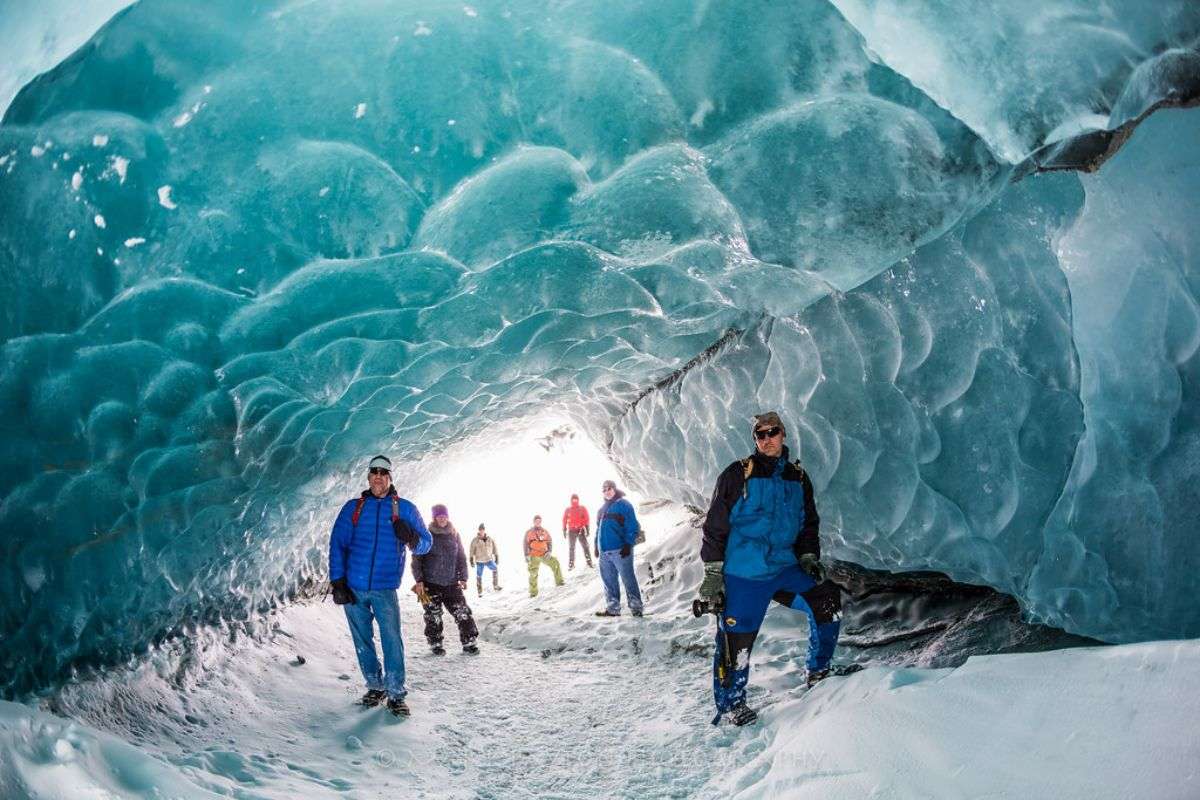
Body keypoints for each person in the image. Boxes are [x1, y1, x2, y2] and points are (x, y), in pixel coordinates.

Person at [698, 411, 841, 726]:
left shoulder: (797, 478)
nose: (766, 439)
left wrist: (807, 557)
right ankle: (732, 703)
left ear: (783, 434)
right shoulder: (738, 475)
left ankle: (819, 671)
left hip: (784, 567)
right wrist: (713, 572)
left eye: (772, 432)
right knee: (736, 642)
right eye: (759, 435)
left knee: (826, 599)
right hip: (745, 573)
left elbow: (808, 524)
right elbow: (715, 525)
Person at [328, 454, 432, 716]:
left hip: (385, 588)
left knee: (391, 640)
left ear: (390, 477)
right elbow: (337, 544)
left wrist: (410, 536)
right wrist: (337, 580)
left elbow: (426, 543)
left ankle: (396, 693)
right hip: (353, 587)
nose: (378, 476)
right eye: (374, 472)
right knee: (362, 640)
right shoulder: (353, 508)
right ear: (368, 477)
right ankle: (375, 686)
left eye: (383, 473)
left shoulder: (404, 508)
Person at [412, 504, 480, 656]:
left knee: (462, 612)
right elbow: (417, 559)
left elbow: (461, 557)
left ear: (448, 517)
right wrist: (419, 580)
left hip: (451, 583)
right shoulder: (426, 535)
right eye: (439, 516)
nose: (442, 518)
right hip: (430, 584)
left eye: (444, 516)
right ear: (434, 518)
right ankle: (435, 644)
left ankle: (469, 642)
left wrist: (463, 577)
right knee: (433, 615)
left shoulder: (454, 534)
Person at [594, 479, 643, 617]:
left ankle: (636, 608)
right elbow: (598, 530)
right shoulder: (601, 509)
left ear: (614, 489)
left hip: (621, 550)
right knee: (609, 581)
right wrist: (596, 547)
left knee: (628, 578)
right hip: (604, 552)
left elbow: (632, 526)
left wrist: (628, 544)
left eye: (609, 488)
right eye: (604, 490)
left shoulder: (624, 505)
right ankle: (613, 609)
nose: (606, 492)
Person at [524, 515, 564, 597]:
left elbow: (549, 541)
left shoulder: (544, 531)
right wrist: (526, 555)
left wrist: (549, 551)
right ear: (534, 522)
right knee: (533, 573)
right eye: (536, 521)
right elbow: (525, 543)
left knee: (555, 563)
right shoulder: (529, 532)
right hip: (533, 555)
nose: (538, 522)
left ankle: (560, 582)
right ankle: (533, 593)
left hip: (544, 554)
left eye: (539, 521)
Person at [561, 494, 594, 570]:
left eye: (576, 499)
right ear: (571, 500)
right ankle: (571, 564)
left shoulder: (582, 508)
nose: (574, 501)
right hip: (571, 531)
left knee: (585, 546)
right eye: (573, 499)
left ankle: (589, 561)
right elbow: (564, 520)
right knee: (571, 547)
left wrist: (587, 528)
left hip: (580, 530)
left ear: (578, 500)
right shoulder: (568, 510)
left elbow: (586, 518)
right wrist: (564, 529)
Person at [469, 523, 501, 596]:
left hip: (489, 560)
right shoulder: (475, 540)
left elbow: (494, 547)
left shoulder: (490, 539)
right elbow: (471, 550)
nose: (481, 531)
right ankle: (480, 592)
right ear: (479, 530)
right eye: (480, 530)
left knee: (495, 569)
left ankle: (495, 586)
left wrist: (496, 556)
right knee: (479, 575)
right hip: (479, 561)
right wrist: (471, 559)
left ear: (484, 530)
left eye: (482, 529)